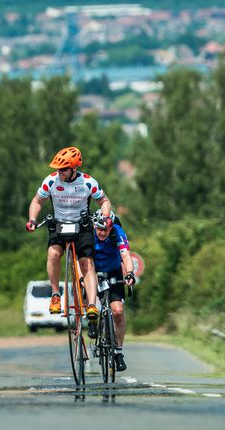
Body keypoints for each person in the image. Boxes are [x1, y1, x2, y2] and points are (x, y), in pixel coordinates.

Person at [26, 146, 113, 329]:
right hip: (59, 224)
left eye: (64, 169)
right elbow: (37, 201)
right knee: (53, 254)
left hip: (82, 226)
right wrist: (32, 219)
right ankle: (56, 295)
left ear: (74, 168)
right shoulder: (50, 181)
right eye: (58, 169)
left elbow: (104, 201)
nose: (60, 172)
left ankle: (91, 304)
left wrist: (105, 217)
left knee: (87, 263)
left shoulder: (88, 182)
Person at [90, 209, 136, 371]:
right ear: (95, 226)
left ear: (111, 228)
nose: (102, 233)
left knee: (117, 311)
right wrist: (83, 277)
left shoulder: (117, 233)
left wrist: (129, 273)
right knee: (91, 303)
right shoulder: (88, 232)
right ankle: (92, 322)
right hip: (92, 271)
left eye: (106, 230)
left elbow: (125, 255)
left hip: (113, 271)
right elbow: (79, 259)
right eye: (100, 229)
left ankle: (118, 352)